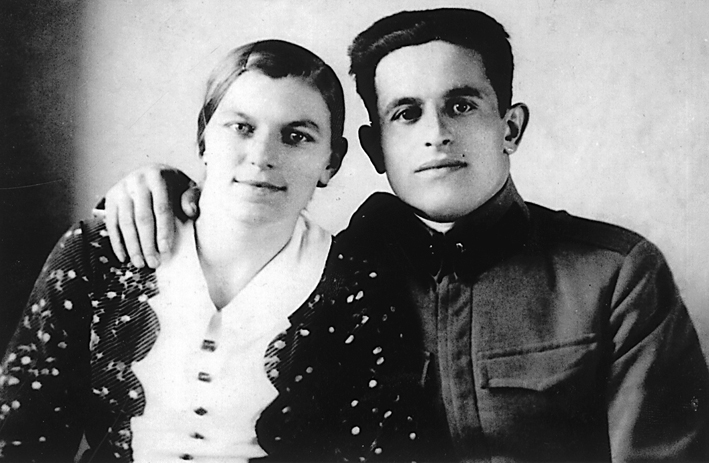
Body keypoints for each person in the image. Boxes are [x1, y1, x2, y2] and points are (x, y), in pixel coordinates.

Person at [99, 7, 709, 462]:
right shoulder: (328, 274)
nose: (436, 134)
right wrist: (162, 189)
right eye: (406, 113)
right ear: (373, 148)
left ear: (511, 128)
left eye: (462, 106)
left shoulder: (615, 275)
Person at [0, 39, 358, 461]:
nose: (262, 156)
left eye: (296, 137)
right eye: (241, 127)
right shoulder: (101, 251)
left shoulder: (353, 285)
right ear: (203, 138)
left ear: (331, 161)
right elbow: (20, 437)